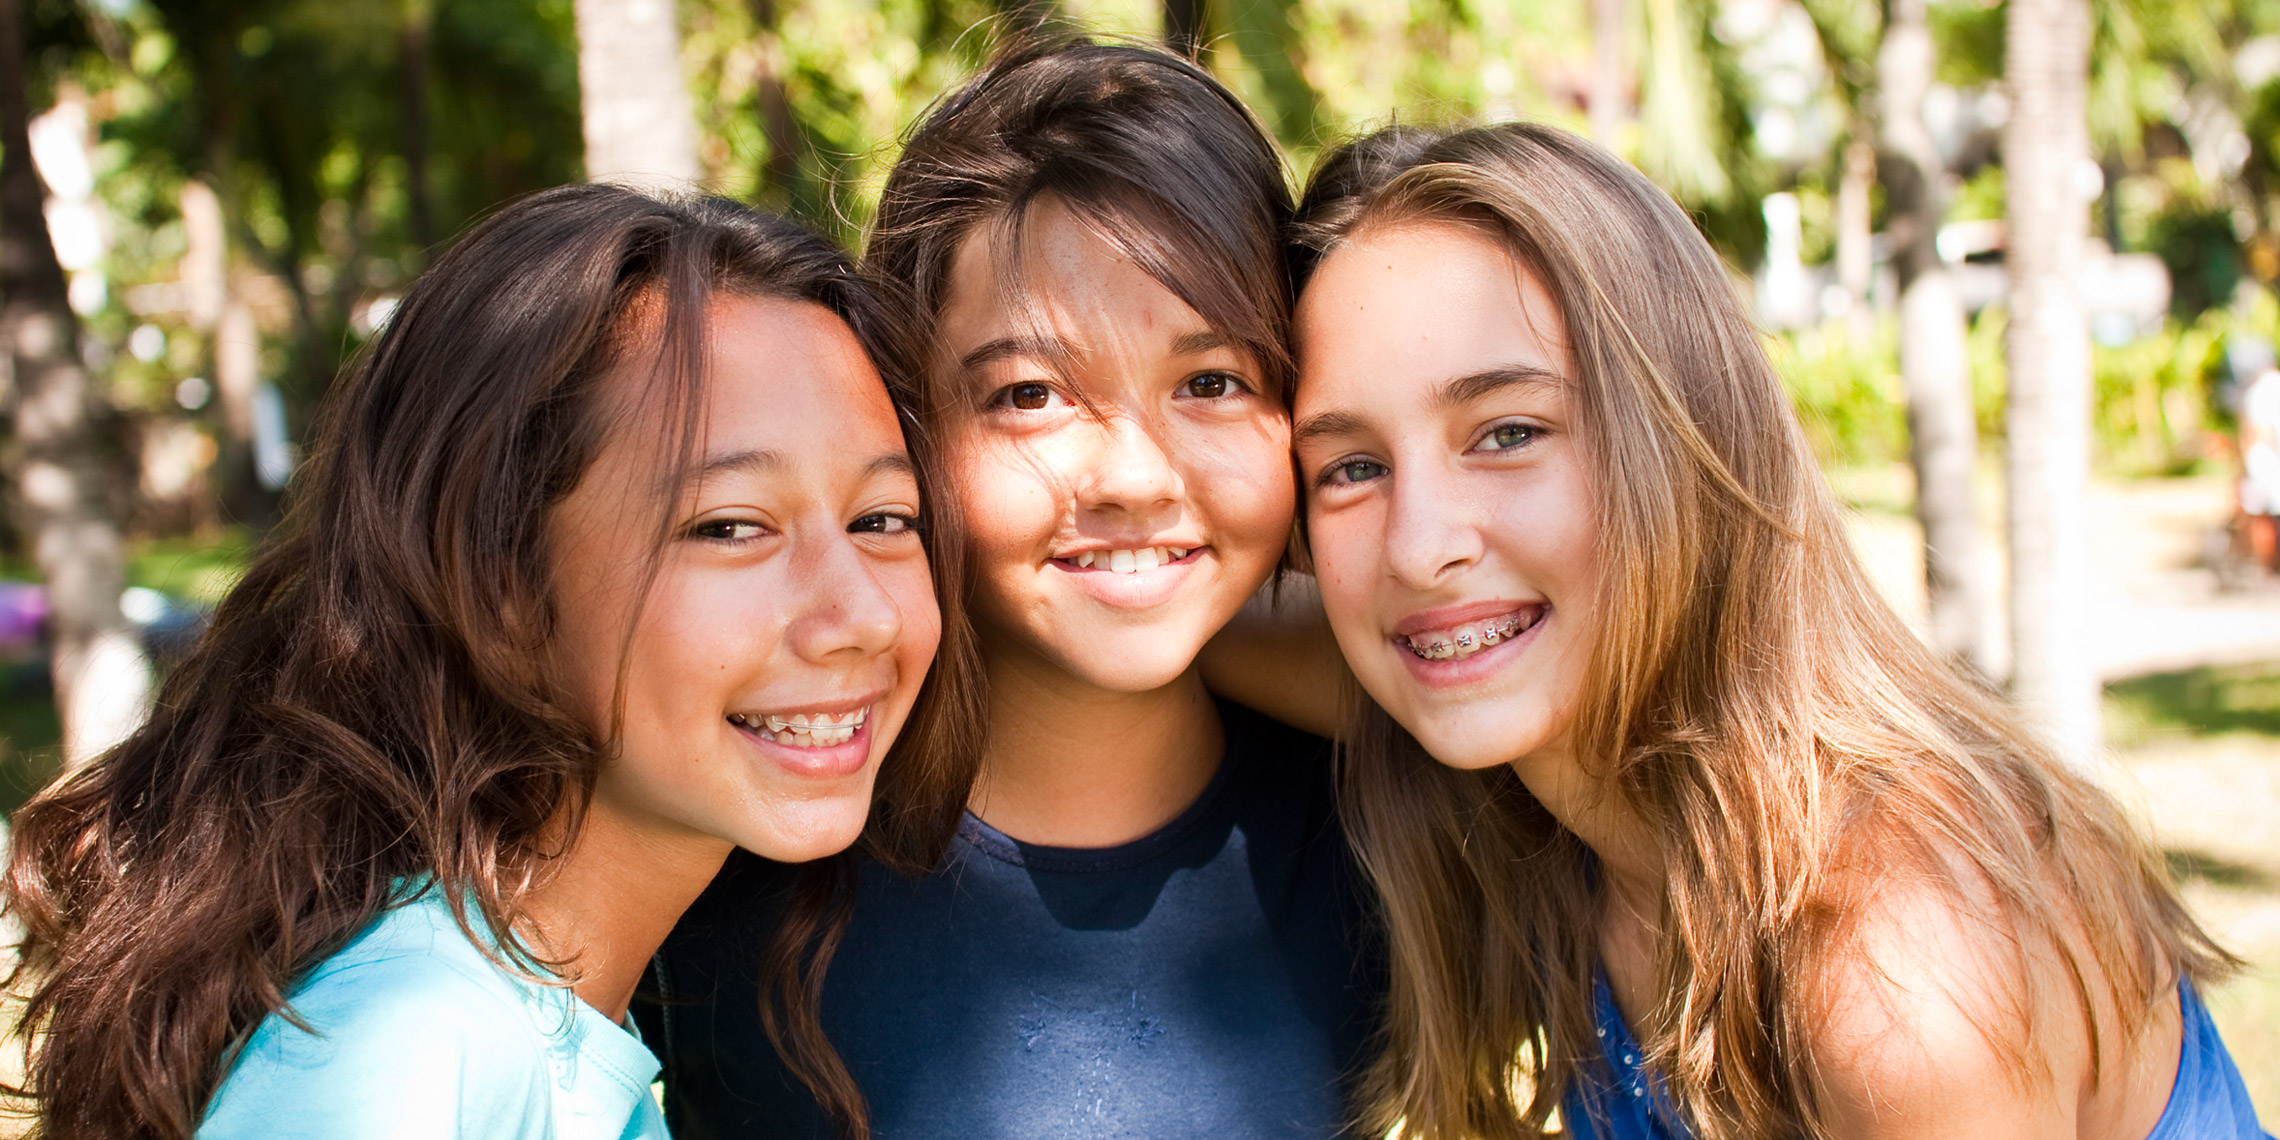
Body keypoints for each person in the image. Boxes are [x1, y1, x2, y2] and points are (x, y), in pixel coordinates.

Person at [1257, 122, 2267, 1140]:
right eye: (1350, 467)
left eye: (1511, 432)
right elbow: (1174, 601)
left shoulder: (1895, 962)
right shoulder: (1511, 701)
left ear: (1681, 436)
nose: (1419, 548)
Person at [2, 184, 981, 1140]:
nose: (856, 615)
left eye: (884, 519)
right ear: (499, 587)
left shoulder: (535, 1016)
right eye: (730, 527)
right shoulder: (421, 1055)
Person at [639, 39, 1383, 1140]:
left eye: (1214, 381)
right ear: (912, 426)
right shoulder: (738, 839)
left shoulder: (1405, 818)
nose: (1135, 476)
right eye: (1030, 395)